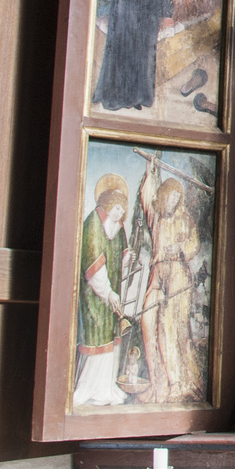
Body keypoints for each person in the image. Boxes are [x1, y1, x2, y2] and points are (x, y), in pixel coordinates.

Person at [137, 162, 204, 403]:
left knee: (171, 326)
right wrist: (150, 171)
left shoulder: (184, 219)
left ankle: (178, 382)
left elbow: (194, 244)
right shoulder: (156, 217)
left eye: (178, 198)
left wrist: (181, 248)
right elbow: (146, 197)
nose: (173, 202)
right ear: (163, 196)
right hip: (158, 274)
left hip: (178, 276)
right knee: (147, 319)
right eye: (171, 197)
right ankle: (158, 382)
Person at [73, 174, 131, 406]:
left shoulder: (115, 226)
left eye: (122, 210)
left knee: (110, 338)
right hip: (94, 296)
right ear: (106, 205)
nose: (119, 213)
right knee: (97, 337)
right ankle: (90, 388)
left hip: (110, 295)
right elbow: (94, 266)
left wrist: (128, 260)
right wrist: (107, 292)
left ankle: (106, 388)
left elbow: (118, 256)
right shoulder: (93, 224)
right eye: (116, 208)